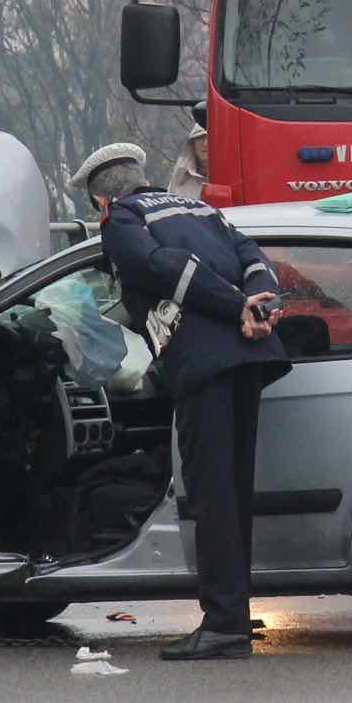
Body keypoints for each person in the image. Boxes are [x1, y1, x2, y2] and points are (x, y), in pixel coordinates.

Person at [73, 140, 288, 662]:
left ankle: (223, 625)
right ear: (140, 176)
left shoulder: (121, 220)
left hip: (204, 363)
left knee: (212, 496)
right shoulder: (200, 208)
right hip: (249, 358)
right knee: (232, 493)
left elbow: (161, 265)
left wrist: (237, 304)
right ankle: (232, 615)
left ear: (101, 201)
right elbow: (253, 257)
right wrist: (257, 303)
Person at [167, 104, 210, 201]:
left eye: (210, 138)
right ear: (192, 143)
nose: (205, 143)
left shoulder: (233, 177)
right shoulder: (180, 176)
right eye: (200, 138)